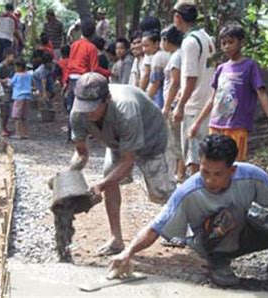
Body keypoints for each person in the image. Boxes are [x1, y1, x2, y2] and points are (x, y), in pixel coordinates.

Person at [110, 134, 268, 287]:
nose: (209, 180)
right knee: (231, 214)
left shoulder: (251, 176)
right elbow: (156, 227)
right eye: (204, 171)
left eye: (217, 174)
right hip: (209, 240)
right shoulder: (188, 192)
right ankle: (219, 262)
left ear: (232, 170)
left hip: (244, 228)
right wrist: (128, 252)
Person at [69, 72, 176, 255]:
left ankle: (187, 224)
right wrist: (67, 180)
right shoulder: (79, 115)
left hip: (153, 140)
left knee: (160, 194)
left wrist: (100, 186)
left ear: (107, 99)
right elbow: (81, 154)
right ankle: (116, 240)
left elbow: (128, 162)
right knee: (110, 179)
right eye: (84, 107)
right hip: (118, 142)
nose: (88, 112)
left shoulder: (126, 110)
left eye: (93, 107)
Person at [189, 23, 268, 161]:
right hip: (216, 124)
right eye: (223, 43)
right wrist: (197, 123)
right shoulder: (221, 69)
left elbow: (261, 92)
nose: (226, 46)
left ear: (241, 42)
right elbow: (213, 99)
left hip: (237, 125)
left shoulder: (250, 66)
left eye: (231, 42)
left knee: (235, 163)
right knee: (214, 161)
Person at [171, 1, 215, 175]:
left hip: (194, 105)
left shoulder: (189, 42)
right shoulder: (206, 37)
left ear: (178, 17)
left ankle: (197, 194)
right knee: (205, 153)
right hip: (207, 102)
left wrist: (180, 106)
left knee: (194, 156)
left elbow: (191, 77)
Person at [67, 20, 111, 129]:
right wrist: (109, 73)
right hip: (83, 79)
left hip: (72, 77)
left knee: (72, 106)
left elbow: (70, 62)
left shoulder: (74, 45)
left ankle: (71, 133)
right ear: (93, 33)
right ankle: (84, 130)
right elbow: (95, 68)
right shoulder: (91, 47)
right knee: (84, 107)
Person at [161, 25, 185, 183]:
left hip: (174, 104)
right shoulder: (176, 55)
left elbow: (175, 82)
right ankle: (178, 171)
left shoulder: (177, 56)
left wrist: (167, 105)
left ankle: (180, 173)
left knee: (176, 140)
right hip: (174, 102)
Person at [9, 57, 32, 139]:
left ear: (19, 67)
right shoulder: (28, 75)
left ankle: (18, 133)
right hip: (28, 96)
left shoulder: (17, 75)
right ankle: (25, 133)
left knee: (17, 116)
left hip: (18, 97)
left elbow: (10, 83)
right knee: (24, 117)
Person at [0, 49, 16, 136]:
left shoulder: (12, 67)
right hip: (2, 91)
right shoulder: (0, 67)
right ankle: (1, 128)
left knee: (8, 111)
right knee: (3, 109)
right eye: (13, 56)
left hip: (9, 90)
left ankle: (5, 127)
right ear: (7, 55)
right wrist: (4, 81)